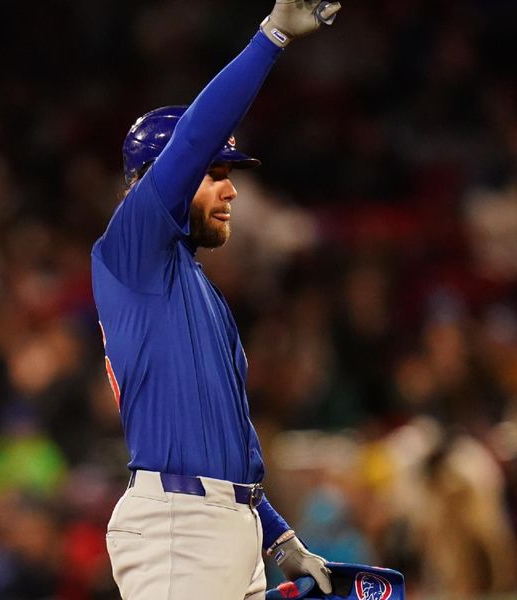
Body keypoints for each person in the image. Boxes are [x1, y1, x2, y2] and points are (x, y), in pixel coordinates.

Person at [91, 2, 342, 599]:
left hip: (231, 528)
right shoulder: (131, 248)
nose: (232, 187)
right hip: (178, 525)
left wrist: (278, 537)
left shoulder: (196, 290)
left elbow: (229, 439)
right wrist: (271, 37)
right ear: (160, 177)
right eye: (214, 171)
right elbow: (195, 136)